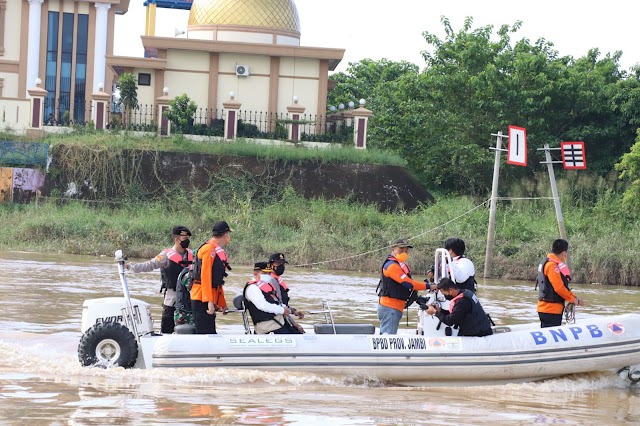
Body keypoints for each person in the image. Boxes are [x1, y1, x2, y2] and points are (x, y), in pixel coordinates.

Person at [125, 225, 193, 334]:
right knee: (167, 325)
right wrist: (130, 266)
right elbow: (149, 265)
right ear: (176, 239)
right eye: (185, 239)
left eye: (188, 238)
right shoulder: (165, 255)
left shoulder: (192, 255)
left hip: (190, 296)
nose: (187, 241)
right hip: (172, 296)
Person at [377, 238, 428, 334]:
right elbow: (408, 284)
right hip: (390, 308)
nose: (404, 253)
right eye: (401, 250)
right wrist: (429, 286)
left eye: (406, 251)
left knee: (387, 335)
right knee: (388, 340)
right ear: (393, 248)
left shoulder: (400, 265)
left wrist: (416, 298)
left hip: (393, 308)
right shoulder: (392, 266)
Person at [190, 221, 233, 334]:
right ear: (225, 235)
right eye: (228, 234)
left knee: (211, 333)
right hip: (201, 298)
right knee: (204, 334)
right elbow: (206, 276)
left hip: (209, 298)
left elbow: (217, 282)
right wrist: (209, 301)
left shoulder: (215, 250)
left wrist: (222, 303)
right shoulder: (209, 249)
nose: (229, 238)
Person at [536, 239, 586, 328]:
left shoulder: (547, 262)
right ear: (564, 253)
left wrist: (574, 298)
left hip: (547, 309)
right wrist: (572, 299)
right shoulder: (552, 266)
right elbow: (559, 288)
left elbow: (562, 287)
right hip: (550, 310)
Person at [243, 262, 303, 334]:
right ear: (256, 273)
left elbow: (277, 303)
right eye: (265, 273)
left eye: (269, 273)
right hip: (268, 328)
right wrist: (282, 310)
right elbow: (263, 305)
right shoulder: (252, 288)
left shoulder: (267, 286)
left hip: (280, 324)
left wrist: (291, 311)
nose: (268, 276)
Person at [424, 278, 493, 337]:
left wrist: (435, 312)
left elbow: (450, 321)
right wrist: (439, 310)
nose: (445, 296)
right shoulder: (466, 292)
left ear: (451, 290)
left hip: (478, 332)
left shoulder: (462, 301)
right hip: (479, 327)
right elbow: (456, 314)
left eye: (445, 294)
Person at [268, 252, 305, 328]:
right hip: (275, 321)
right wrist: (294, 323)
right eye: (278, 263)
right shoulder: (271, 280)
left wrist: (294, 311)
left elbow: (282, 304)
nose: (281, 266)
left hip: (281, 318)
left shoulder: (276, 279)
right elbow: (279, 306)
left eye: (283, 264)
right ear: (270, 265)